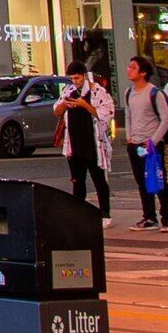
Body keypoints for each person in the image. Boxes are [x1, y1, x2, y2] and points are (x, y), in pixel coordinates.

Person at [125, 64, 168, 228]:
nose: (128, 69)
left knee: (159, 180)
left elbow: (166, 119)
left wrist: (154, 140)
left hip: (152, 144)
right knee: (142, 182)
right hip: (135, 143)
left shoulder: (154, 93)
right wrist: (129, 137)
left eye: (133, 67)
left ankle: (167, 218)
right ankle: (149, 217)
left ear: (143, 73)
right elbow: (128, 116)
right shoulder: (129, 92)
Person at [54, 67, 116, 219]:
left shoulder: (98, 92)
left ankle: (105, 214)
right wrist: (65, 104)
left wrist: (84, 105)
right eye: (72, 79)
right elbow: (56, 110)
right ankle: (78, 214)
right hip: (74, 144)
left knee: (99, 180)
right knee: (77, 180)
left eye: (78, 78)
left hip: (92, 143)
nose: (75, 82)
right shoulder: (69, 91)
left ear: (84, 76)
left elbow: (106, 114)